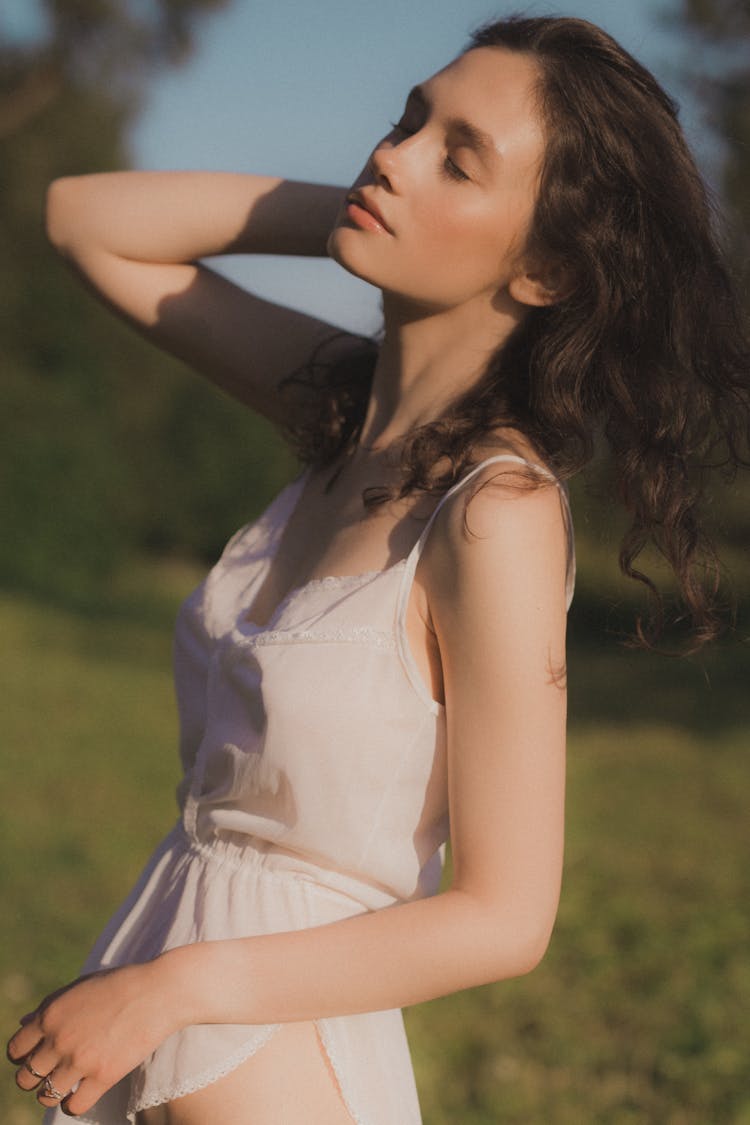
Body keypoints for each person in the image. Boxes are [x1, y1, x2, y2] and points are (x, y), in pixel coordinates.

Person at [7, 14, 748, 1125]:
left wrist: (179, 987)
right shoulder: (345, 413)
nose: (392, 156)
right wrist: (367, 209)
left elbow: (506, 917)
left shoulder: (495, 511)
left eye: (459, 159)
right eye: (408, 120)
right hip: (162, 997)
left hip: (264, 1045)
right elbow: (85, 219)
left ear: (547, 266)